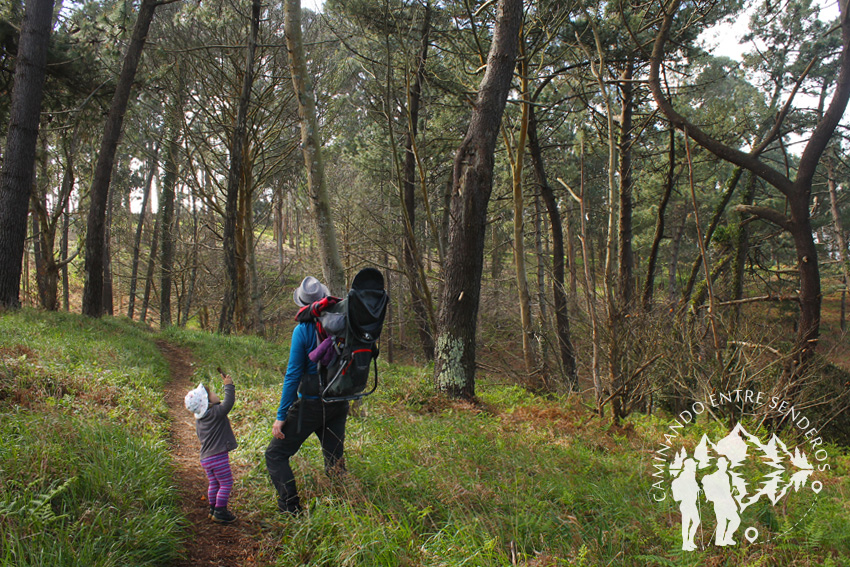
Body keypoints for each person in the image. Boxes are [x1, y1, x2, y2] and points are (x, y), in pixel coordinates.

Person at [265, 276, 349, 516]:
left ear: (303, 304)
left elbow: (293, 375)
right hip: (338, 403)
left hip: (311, 405)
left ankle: (290, 510)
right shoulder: (344, 324)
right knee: (334, 460)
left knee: (275, 455)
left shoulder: (302, 330)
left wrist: (281, 416)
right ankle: (342, 511)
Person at [184, 374, 238, 524]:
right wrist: (229, 385)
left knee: (214, 483)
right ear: (206, 403)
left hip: (206, 458)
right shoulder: (215, 413)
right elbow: (228, 403)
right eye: (210, 393)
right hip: (218, 457)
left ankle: (213, 508)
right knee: (226, 483)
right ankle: (220, 511)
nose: (214, 393)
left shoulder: (200, 420)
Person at [702, 456, 741, 546]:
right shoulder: (714, 477)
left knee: (735, 520)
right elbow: (712, 488)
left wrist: (732, 492)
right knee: (723, 521)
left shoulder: (726, 476)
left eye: (725, 464)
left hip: (727, 502)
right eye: (722, 464)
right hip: (720, 502)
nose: (724, 466)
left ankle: (727, 538)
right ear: (719, 465)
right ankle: (720, 540)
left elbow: (726, 491)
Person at [671, 457, 701, 551]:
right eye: (693, 466)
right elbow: (680, 495)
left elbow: (694, 488)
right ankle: (685, 543)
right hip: (686, 504)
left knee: (696, 521)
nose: (694, 468)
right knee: (686, 523)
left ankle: (690, 541)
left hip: (692, 503)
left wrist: (697, 490)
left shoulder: (691, 477)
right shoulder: (684, 477)